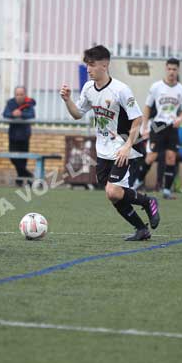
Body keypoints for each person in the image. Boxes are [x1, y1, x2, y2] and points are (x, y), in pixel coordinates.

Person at [60, 45, 159, 241]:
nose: (88, 69)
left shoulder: (121, 90)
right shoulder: (88, 88)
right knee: (113, 194)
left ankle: (148, 202)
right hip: (103, 149)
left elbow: (137, 119)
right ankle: (141, 229)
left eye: (92, 65)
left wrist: (127, 146)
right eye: (87, 65)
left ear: (104, 65)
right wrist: (67, 100)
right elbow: (78, 114)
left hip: (124, 146)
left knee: (113, 191)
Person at [133, 58, 182, 199]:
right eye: (169, 69)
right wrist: (144, 127)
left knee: (171, 157)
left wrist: (180, 119)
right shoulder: (156, 87)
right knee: (151, 156)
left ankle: (167, 190)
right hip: (158, 126)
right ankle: (137, 182)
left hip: (172, 127)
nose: (171, 72)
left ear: (178, 70)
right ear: (166, 69)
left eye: (174, 69)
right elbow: (147, 107)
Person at [3, 86, 36, 186]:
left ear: (25, 95)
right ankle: (29, 176)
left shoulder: (29, 103)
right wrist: (13, 114)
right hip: (13, 135)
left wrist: (21, 114)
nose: (19, 96)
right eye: (17, 94)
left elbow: (31, 115)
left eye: (21, 94)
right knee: (12, 158)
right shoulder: (10, 103)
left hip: (25, 135)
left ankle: (20, 179)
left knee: (23, 159)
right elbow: (5, 114)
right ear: (15, 95)